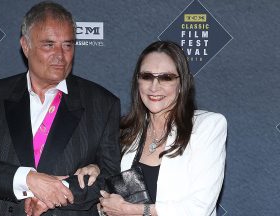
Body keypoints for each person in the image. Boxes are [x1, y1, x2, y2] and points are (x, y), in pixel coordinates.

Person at [0, 1, 121, 216]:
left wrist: (59, 191)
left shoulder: (103, 103)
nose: (60, 55)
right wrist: (30, 179)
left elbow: (111, 177)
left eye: (68, 45)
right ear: (26, 46)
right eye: (49, 45)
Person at [78, 41, 227, 216]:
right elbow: (109, 201)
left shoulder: (207, 126)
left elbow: (199, 209)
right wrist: (97, 171)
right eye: (147, 76)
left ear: (182, 84)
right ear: (137, 81)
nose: (154, 87)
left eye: (166, 77)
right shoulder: (125, 131)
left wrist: (133, 211)